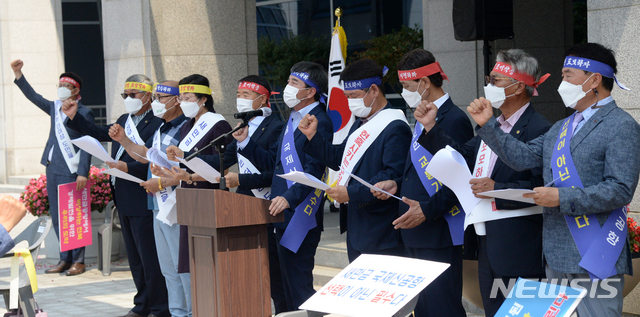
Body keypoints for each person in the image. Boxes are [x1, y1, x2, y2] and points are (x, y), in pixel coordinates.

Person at [461, 43, 640, 317]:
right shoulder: (561, 127)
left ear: (594, 80)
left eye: (568, 75)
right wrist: (488, 124)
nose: (562, 82)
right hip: (556, 252)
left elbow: (620, 189)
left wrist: (561, 198)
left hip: (595, 250)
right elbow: (521, 157)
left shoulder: (621, 125)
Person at [416, 49, 551, 317]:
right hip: (486, 241)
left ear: (519, 86)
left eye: (497, 80)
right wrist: (431, 127)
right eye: (490, 78)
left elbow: (541, 185)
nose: (489, 86)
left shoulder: (539, 128)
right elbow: (461, 156)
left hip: (518, 243)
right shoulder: (493, 124)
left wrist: (496, 189)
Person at [166, 75, 286, 314]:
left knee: (275, 278)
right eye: (238, 95)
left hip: (268, 204)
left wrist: (241, 178)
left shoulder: (277, 126)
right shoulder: (242, 125)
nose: (240, 100)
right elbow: (222, 159)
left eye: (246, 95)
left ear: (262, 98)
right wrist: (185, 155)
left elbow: (274, 168)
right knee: (246, 273)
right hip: (243, 204)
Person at [371, 48, 473, 317]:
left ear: (424, 83)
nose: (403, 91)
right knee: (423, 308)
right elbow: (415, 168)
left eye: (406, 86)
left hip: (438, 228)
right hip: (414, 227)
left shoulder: (454, 119)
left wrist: (426, 210)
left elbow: (459, 178)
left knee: (442, 306)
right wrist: (395, 184)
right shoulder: (420, 114)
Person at [64, 75, 169, 317]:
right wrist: (74, 117)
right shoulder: (125, 119)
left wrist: (127, 168)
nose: (129, 99)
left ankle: (159, 307)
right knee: (135, 258)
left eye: (133, 95)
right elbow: (100, 132)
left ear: (148, 96)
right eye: (125, 95)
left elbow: (153, 159)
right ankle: (142, 304)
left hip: (143, 193)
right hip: (122, 194)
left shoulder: (157, 122)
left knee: (149, 257)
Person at [232, 61, 333, 312]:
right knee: (281, 285)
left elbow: (314, 170)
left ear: (310, 91)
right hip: (280, 212)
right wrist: (246, 143)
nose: (288, 87)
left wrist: (289, 198)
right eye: (288, 81)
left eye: (294, 83)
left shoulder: (320, 119)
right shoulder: (293, 118)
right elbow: (274, 166)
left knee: (299, 286)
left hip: (300, 212)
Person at [299, 58, 411, 261]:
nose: (351, 102)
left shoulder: (394, 126)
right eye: (347, 96)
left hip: (381, 231)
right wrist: (312, 137)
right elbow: (341, 159)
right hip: (357, 228)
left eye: (355, 96)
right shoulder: (360, 124)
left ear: (374, 90)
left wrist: (349, 193)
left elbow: (392, 177)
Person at [10, 59, 93, 276]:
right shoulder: (55, 108)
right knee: (58, 215)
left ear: (76, 90)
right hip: (52, 167)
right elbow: (33, 96)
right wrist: (19, 74)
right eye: (60, 85)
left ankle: (79, 260)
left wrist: (83, 172)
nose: (62, 89)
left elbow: (88, 144)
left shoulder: (85, 112)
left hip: (72, 170)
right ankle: (65, 258)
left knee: (73, 214)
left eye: (66, 86)